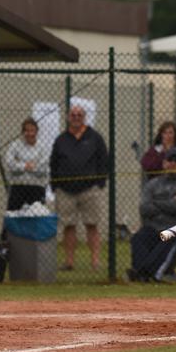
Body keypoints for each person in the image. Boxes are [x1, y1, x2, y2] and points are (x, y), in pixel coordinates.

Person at [50, 105, 108, 271]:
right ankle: (69, 262)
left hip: (90, 189)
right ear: (68, 117)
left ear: (84, 117)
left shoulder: (95, 137)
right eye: (73, 115)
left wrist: (100, 182)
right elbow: (53, 163)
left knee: (92, 225)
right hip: (65, 190)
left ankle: (95, 261)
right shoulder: (61, 139)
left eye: (79, 115)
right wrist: (55, 185)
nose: (76, 117)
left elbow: (103, 160)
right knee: (68, 226)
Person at [127, 149, 176, 282]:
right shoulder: (153, 184)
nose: (173, 163)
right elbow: (144, 209)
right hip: (155, 227)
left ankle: (145, 272)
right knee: (139, 237)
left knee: (169, 237)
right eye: (170, 160)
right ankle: (141, 272)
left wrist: (156, 203)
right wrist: (171, 202)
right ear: (164, 163)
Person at [2, 117, 50, 210]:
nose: (30, 133)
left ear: (37, 131)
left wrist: (20, 163)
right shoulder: (15, 145)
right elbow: (9, 162)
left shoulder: (43, 147)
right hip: (18, 186)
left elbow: (43, 168)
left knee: (37, 215)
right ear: (23, 132)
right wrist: (24, 166)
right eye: (27, 130)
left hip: (37, 186)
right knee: (14, 215)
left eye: (32, 130)